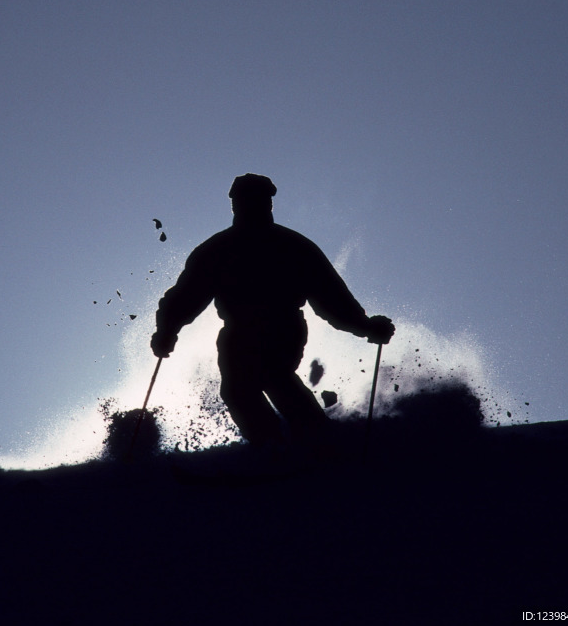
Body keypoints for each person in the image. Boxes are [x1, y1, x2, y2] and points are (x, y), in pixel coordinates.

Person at [151, 173, 394, 450]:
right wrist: (167, 330)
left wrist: (365, 326)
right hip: (238, 333)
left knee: (272, 376)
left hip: (282, 327)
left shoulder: (292, 247)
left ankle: (314, 439)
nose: (252, 205)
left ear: (269, 203)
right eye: (245, 199)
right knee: (238, 390)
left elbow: (331, 297)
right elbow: (187, 296)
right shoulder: (219, 250)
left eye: (259, 199)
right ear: (234, 204)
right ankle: (273, 446)